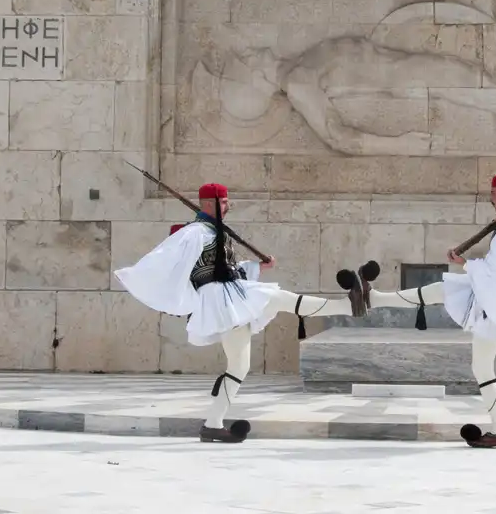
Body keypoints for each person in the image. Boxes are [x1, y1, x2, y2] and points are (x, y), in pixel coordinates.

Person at [114, 182, 375, 444]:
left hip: (230, 294)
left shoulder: (213, 231)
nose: (228, 206)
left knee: (240, 365)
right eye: (224, 202)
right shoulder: (194, 233)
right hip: (220, 300)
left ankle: (212, 425)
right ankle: (345, 306)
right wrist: (135, 275)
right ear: (208, 204)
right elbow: (166, 256)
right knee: (277, 297)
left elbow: (226, 267)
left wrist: (256, 266)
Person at [366, 173, 496, 448]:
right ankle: (377, 298)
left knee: (482, 367)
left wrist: (465, 262)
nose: (490, 197)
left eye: (494, 193)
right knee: (446, 289)